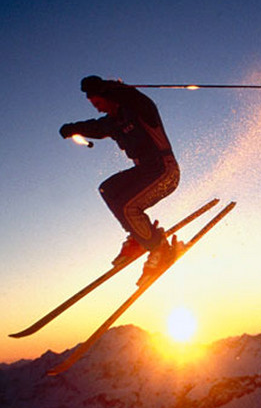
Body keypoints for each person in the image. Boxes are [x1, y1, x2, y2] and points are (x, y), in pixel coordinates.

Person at [60, 75, 180, 282]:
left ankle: (160, 249)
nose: (97, 108)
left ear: (108, 95)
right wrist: (72, 128)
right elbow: (96, 127)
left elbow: (132, 97)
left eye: (98, 102)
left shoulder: (140, 109)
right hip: (144, 172)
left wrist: (111, 87)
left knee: (128, 207)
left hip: (165, 172)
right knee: (109, 189)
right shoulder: (113, 122)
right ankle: (139, 236)